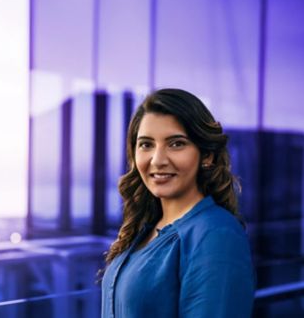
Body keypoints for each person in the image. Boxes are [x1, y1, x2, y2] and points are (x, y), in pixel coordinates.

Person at [101, 88, 255, 317]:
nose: (158, 160)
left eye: (176, 143)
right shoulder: (146, 228)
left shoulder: (216, 234)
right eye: (146, 144)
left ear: (206, 156)